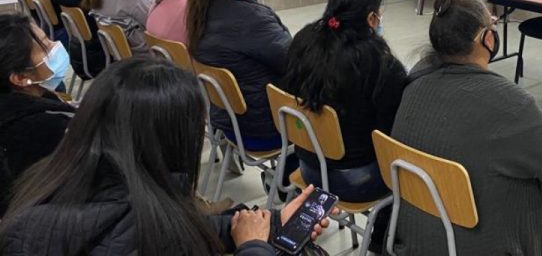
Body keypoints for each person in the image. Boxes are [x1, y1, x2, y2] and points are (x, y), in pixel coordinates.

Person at [0, 58, 332, 255]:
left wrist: (270, 224)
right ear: (170, 143)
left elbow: (163, 224)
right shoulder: (133, 231)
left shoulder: (54, 181)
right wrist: (253, 247)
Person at [390, 0, 542, 256]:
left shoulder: (414, 82)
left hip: (417, 237)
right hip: (484, 242)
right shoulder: (510, 102)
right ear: (486, 38)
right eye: (492, 22)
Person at [281, 0, 406, 253]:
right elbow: (393, 133)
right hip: (355, 180)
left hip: (308, 162)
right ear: (372, 18)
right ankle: (381, 242)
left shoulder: (304, 41)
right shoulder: (379, 63)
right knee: (404, 169)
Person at [188, 0, 290, 150]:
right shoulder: (254, 19)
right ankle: (289, 175)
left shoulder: (201, 9)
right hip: (263, 128)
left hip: (227, 121)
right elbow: (295, 62)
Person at [0, 14, 75, 215]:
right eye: (45, 47)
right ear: (20, 78)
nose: (55, 46)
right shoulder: (45, 129)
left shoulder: (31, 104)